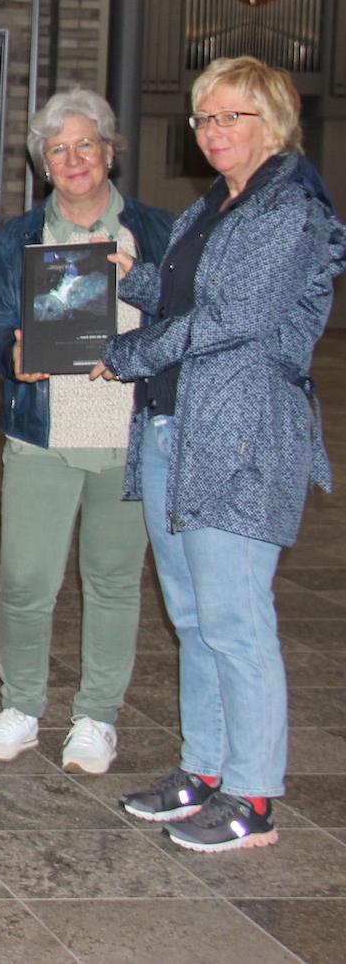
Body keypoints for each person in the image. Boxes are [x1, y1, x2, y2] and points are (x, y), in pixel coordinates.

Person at [97, 57, 345, 852]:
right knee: (195, 617)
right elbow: (188, 298)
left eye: (227, 116)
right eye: (202, 117)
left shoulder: (289, 207)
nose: (210, 131)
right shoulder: (218, 202)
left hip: (239, 437)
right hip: (178, 429)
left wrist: (128, 354)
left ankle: (253, 796)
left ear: (271, 120)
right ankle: (203, 770)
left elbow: (234, 317)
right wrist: (130, 279)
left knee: (237, 621)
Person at [0, 89, 172, 774]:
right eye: (58, 149)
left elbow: (183, 322)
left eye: (85, 144)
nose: (73, 158)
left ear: (109, 151)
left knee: (113, 579)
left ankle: (95, 717)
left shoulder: (156, 230)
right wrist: (12, 356)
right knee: (24, 578)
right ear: (44, 165)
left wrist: (139, 283)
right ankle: (21, 705)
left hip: (124, 428)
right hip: (43, 427)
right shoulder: (18, 239)